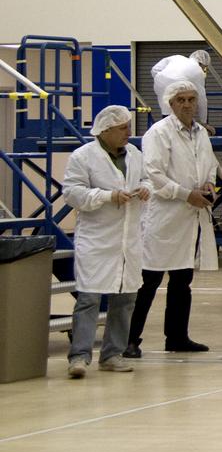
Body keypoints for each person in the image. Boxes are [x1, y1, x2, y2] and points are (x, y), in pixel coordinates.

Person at [127, 81, 220, 357]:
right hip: (163, 218)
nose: (188, 104)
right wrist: (184, 194)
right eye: (181, 99)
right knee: (148, 282)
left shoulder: (201, 133)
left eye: (192, 99)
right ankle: (129, 340)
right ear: (171, 103)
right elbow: (154, 174)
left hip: (190, 218)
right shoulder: (158, 133)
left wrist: (208, 187)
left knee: (182, 281)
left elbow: (210, 165)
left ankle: (177, 337)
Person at [63, 106, 151, 377]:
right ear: (105, 130)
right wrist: (107, 196)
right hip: (97, 239)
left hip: (128, 239)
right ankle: (79, 357)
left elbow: (146, 178)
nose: (129, 132)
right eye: (123, 128)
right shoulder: (83, 157)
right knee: (89, 298)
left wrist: (146, 188)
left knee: (125, 299)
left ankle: (112, 354)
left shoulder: (135, 155)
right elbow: (72, 193)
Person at [151, 50, 212, 130]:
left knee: (167, 110)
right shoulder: (198, 71)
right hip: (178, 84)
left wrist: (163, 79)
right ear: (203, 64)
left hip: (160, 81)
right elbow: (202, 99)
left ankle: (165, 130)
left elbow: (154, 69)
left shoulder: (177, 57)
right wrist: (204, 122)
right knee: (182, 107)